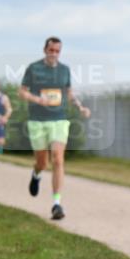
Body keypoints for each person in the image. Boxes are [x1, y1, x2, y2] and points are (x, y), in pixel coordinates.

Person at [19, 37, 91, 220]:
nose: (54, 54)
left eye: (57, 51)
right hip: (37, 121)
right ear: (45, 50)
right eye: (51, 50)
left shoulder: (64, 70)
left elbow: (69, 93)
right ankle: (36, 174)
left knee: (58, 159)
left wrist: (80, 107)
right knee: (42, 163)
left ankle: (57, 204)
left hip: (59, 119)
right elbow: (22, 92)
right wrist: (37, 99)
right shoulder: (33, 68)